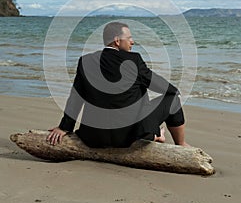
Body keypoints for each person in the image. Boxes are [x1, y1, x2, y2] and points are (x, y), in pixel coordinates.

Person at [47, 22, 189, 147]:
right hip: (128, 139)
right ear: (117, 41)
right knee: (172, 99)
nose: (132, 42)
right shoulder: (134, 60)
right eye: (129, 38)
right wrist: (175, 90)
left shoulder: (86, 61)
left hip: (93, 137)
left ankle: (155, 135)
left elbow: (76, 97)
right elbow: (158, 84)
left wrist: (64, 127)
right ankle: (179, 143)